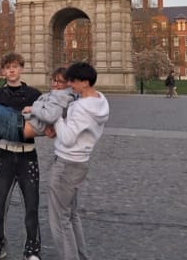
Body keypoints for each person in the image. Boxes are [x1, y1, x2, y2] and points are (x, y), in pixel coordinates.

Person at [48, 62, 109, 260]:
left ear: (85, 82)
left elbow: (67, 137)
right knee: (71, 215)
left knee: (60, 219)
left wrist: (56, 116)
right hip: (81, 163)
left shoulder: (81, 107)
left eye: (73, 81)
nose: (69, 84)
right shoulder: (100, 102)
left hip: (66, 163)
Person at [0, 52, 42, 260]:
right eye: (8, 67)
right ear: (3, 71)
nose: (11, 70)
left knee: (31, 205)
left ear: (21, 69)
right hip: (5, 154)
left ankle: (32, 249)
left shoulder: (35, 95)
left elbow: (41, 126)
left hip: (28, 155)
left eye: (15, 66)